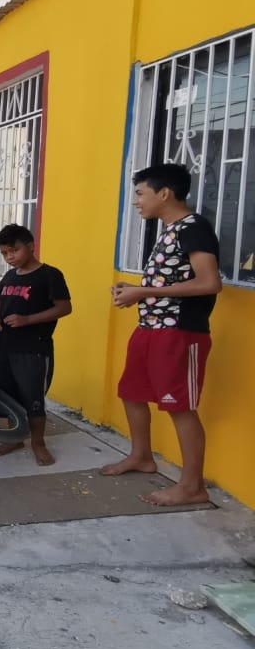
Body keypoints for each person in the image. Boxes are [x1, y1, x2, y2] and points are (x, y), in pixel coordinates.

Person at [102, 163, 222, 506]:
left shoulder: (194, 228)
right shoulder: (171, 228)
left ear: (164, 193)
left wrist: (141, 294)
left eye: (141, 193)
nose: (136, 201)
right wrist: (138, 290)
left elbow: (209, 282)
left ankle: (192, 486)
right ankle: (141, 456)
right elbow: (171, 282)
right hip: (151, 328)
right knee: (132, 391)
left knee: (180, 407)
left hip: (179, 333)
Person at [0, 224, 72, 467]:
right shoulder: (10, 276)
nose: (10, 257)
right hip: (3, 346)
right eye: (4, 253)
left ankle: (38, 443)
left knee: (33, 398)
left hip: (33, 348)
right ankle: (14, 438)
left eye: (14, 250)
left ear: (31, 245)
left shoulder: (50, 275)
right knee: (6, 395)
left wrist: (27, 320)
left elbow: (64, 308)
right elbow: (0, 300)